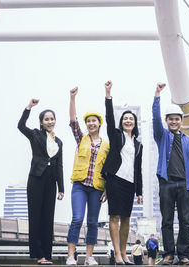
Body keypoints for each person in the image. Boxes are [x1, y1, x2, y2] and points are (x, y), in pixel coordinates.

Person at [152, 83, 189, 265]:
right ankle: (168, 254)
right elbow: (155, 118)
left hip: (185, 184)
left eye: (177, 119)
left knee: (186, 221)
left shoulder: (188, 140)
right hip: (167, 183)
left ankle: (184, 254)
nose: (173, 122)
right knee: (167, 221)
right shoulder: (162, 136)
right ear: (167, 121)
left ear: (181, 120)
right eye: (170, 119)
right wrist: (157, 96)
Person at [101, 80, 143, 265]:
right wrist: (108, 95)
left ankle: (125, 254)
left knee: (126, 217)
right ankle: (117, 253)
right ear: (122, 122)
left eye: (131, 119)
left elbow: (138, 169)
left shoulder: (138, 144)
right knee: (114, 216)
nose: (128, 121)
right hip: (115, 179)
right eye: (125, 118)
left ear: (134, 123)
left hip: (130, 182)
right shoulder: (116, 135)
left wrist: (139, 192)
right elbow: (109, 118)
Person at [18, 99, 64, 265]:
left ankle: (47, 254)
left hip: (51, 182)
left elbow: (59, 165)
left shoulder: (59, 142)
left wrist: (61, 188)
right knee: (36, 217)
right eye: (46, 119)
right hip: (36, 179)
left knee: (47, 218)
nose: (50, 121)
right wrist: (28, 107)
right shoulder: (35, 135)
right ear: (42, 122)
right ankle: (39, 255)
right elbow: (21, 126)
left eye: (52, 119)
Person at [66, 87, 109, 266]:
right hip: (80, 185)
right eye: (89, 121)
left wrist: (107, 188)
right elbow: (72, 120)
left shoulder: (107, 146)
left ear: (99, 124)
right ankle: (71, 256)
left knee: (92, 222)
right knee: (77, 219)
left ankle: (89, 257)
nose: (91, 124)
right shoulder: (81, 138)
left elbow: (108, 169)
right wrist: (72, 98)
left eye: (94, 121)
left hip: (96, 188)